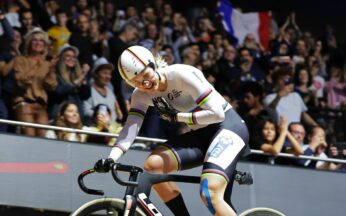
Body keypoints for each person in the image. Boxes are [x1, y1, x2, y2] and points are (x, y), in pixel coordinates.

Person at [93, 45, 250, 216]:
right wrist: (111, 157)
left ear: (153, 65)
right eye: (137, 83)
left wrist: (178, 117)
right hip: (202, 135)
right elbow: (130, 128)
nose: (145, 84)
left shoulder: (181, 74)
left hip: (228, 128)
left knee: (209, 192)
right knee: (152, 165)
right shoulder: (140, 95)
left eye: (146, 75)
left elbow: (217, 114)